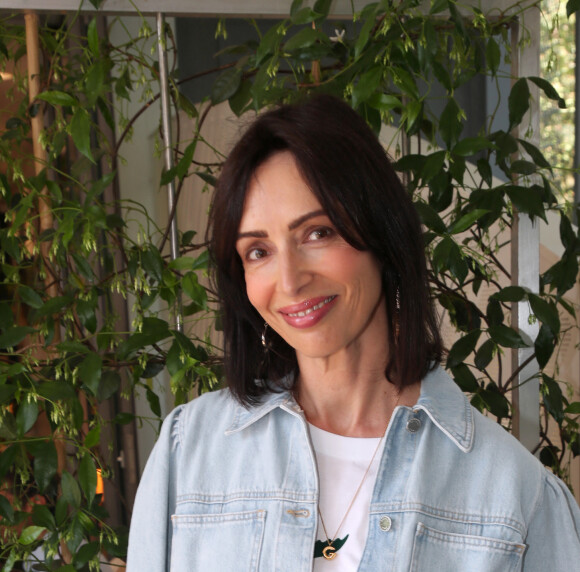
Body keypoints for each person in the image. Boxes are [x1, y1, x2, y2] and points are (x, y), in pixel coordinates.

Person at [126, 95, 580, 571]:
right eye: (258, 251)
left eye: (317, 233)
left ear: (382, 238)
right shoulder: (188, 452)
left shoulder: (515, 494)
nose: (289, 281)